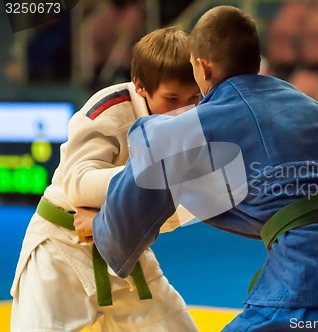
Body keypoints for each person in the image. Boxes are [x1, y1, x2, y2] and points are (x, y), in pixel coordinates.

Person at [75, 6, 318, 331]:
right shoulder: (307, 105)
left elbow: (133, 205)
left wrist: (99, 224)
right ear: (256, 62)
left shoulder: (196, 124)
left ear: (202, 68)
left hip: (311, 275)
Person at [11, 26, 200, 331]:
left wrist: (115, 219)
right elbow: (77, 184)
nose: (183, 110)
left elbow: (186, 205)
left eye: (193, 97)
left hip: (122, 247)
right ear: (140, 86)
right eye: (171, 98)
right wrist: (152, 182)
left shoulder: (195, 122)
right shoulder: (111, 110)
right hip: (61, 247)